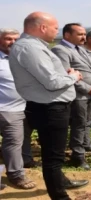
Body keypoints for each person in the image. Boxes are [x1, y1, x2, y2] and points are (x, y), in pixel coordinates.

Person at [9, 11, 88, 200]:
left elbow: (48, 76)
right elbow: (51, 82)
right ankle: (60, 197)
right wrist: (73, 76)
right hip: (50, 108)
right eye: (55, 28)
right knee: (53, 158)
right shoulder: (31, 48)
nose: (56, 31)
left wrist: (65, 74)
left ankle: (62, 182)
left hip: (48, 106)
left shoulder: (33, 46)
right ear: (42, 27)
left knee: (53, 153)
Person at [52, 23, 91, 170]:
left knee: (87, 121)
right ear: (67, 35)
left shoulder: (80, 49)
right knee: (78, 124)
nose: (84, 37)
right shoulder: (60, 50)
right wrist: (88, 88)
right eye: (80, 34)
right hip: (78, 95)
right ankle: (77, 156)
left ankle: (86, 144)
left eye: (84, 34)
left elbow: (90, 70)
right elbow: (66, 76)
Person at [0, 28, 36, 189]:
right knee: (13, 143)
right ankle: (15, 174)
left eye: (16, 39)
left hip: (17, 109)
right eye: (8, 39)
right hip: (4, 108)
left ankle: (15, 174)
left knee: (14, 142)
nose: (13, 42)